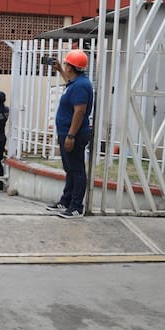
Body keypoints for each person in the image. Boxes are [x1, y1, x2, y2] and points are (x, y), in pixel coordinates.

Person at [46, 49, 94, 218]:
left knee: (76, 169)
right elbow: (70, 86)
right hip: (67, 132)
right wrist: (59, 70)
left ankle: (75, 207)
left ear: (71, 67)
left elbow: (79, 111)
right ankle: (66, 201)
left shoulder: (81, 86)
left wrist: (71, 136)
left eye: (66, 64)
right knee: (70, 169)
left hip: (73, 134)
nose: (64, 65)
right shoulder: (76, 83)